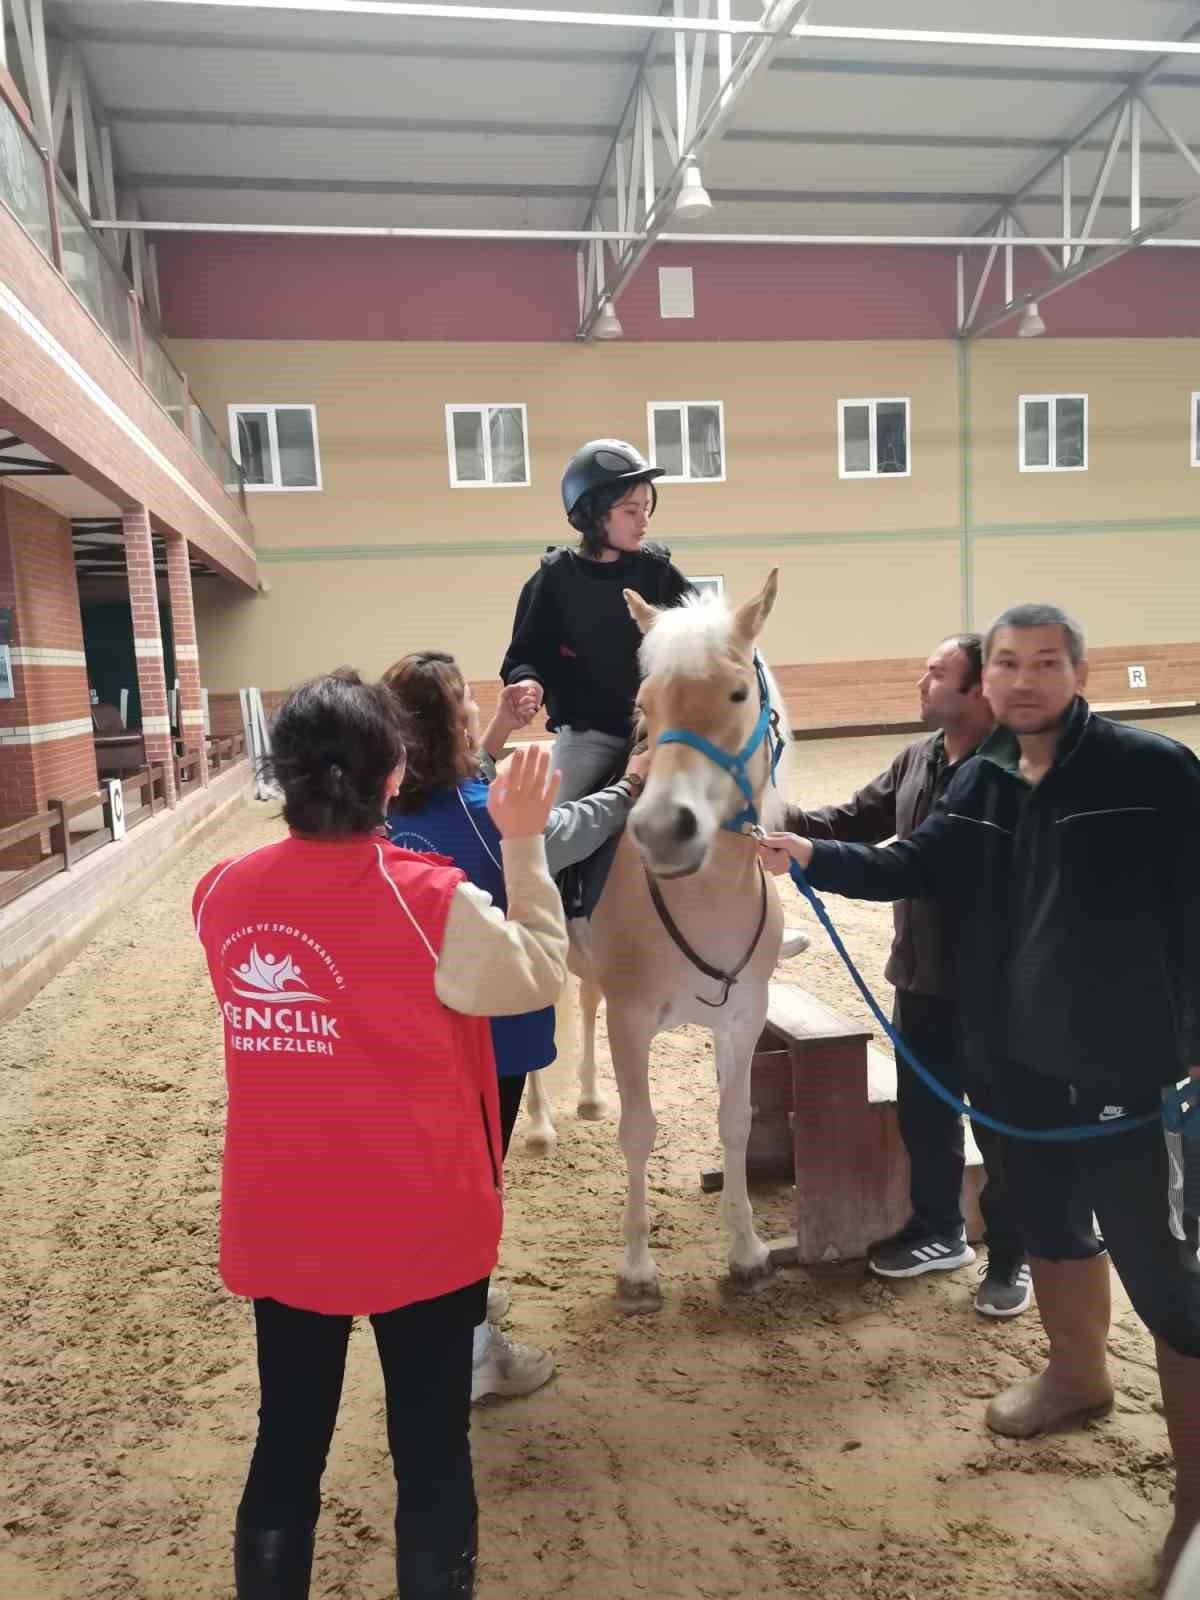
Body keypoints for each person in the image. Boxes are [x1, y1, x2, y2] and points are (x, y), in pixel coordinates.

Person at [759, 604, 1200, 1583]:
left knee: (1172, 1284)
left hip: (1135, 1075)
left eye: (1047, 662)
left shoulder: (1153, 772)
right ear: (987, 682)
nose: (1024, 679)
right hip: (1015, 1063)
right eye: (1007, 663)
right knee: (1043, 1221)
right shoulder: (984, 782)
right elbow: (914, 863)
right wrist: (808, 853)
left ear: (1080, 673)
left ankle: (1194, 1504)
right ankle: (1078, 1376)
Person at [192, 669, 568, 1600]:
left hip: (284, 1219)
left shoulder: (221, 894)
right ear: (395, 776)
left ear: (281, 774)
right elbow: (536, 974)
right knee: (431, 1455)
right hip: (420, 1224)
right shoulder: (431, 902)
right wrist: (524, 845)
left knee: (286, 1446)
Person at [382, 649, 649, 1402]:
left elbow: (454, 795)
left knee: (437, 1175)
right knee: (474, 1186)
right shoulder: (490, 806)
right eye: (468, 702)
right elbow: (566, 830)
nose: (477, 709)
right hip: (483, 1038)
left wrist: (496, 729)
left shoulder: (386, 806)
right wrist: (632, 785)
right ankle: (469, 1351)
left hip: (407, 1035)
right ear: (453, 721)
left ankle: (448, 1306)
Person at [782, 633, 1029, 1316]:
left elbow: (910, 863)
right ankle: (939, 1231)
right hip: (921, 976)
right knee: (926, 1112)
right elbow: (854, 818)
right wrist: (773, 816)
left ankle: (1013, 1254)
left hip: (992, 988)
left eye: (937, 673)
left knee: (1003, 1127)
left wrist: (809, 855)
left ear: (979, 691)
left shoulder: (1006, 776)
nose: (922, 682)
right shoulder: (918, 759)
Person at [499, 438, 692, 801]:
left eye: (647, 508)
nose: (644, 521)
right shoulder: (554, 580)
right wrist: (530, 683)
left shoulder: (660, 574)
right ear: (593, 514)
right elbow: (526, 654)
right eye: (631, 511)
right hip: (591, 739)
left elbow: (704, 632)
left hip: (662, 730)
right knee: (549, 825)